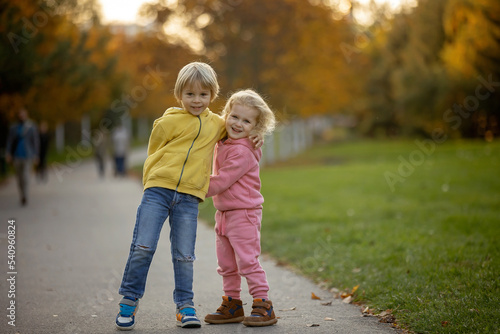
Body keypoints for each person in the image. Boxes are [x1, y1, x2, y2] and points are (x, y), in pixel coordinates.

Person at [115, 62, 263, 330]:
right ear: (179, 94)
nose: (197, 100)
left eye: (203, 94)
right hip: (158, 192)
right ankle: (129, 301)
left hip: (187, 199)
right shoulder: (167, 121)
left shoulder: (217, 124)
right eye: (190, 94)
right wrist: (154, 179)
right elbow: (154, 151)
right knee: (143, 246)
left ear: (212, 95)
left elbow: (238, 132)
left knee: (184, 254)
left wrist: (255, 137)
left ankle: (185, 307)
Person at [203, 90, 278, 327]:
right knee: (226, 264)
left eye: (247, 121)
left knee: (247, 262)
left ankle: (263, 304)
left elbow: (222, 180)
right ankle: (232, 304)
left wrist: (191, 188)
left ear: (256, 126)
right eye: (234, 117)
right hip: (224, 213)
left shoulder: (242, 150)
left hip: (244, 214)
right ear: (226, 114)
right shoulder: (226, 139)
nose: (238, 124)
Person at [6, 108, 39, 206]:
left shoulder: (31, 127)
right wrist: (8, 153)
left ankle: (25, 195)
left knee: (25, 176)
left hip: (28, 156)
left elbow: (35, 141)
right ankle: (21, 194)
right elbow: (10, 141)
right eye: (20, 115)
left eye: (23, 115)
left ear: (26, 115)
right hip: (16, 156)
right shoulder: (14, 128)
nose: (21, 117)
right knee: (19, 178)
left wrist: (36, 155)